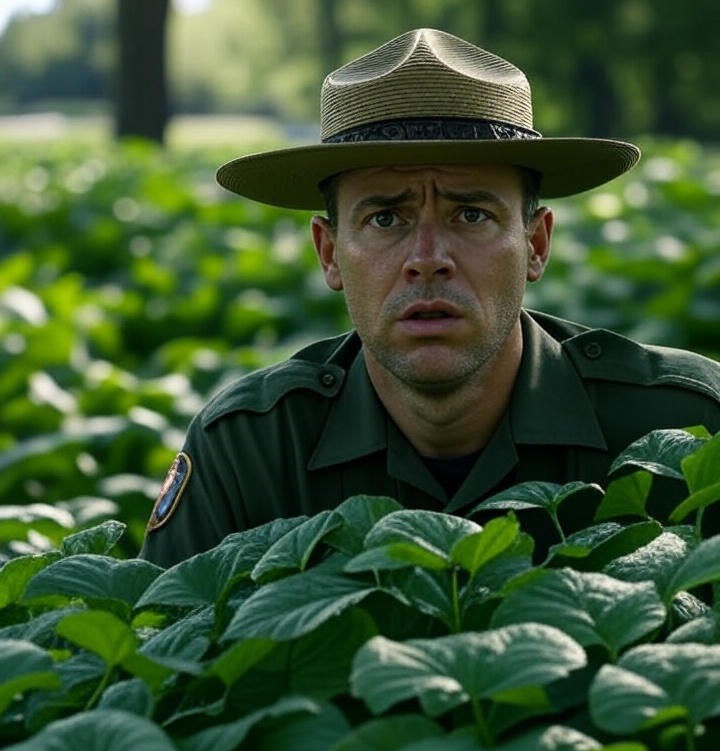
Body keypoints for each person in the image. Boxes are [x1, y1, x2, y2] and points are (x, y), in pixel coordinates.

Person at [140, 28, 720, 567]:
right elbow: (164, 659)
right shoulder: (251, 452)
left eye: (471, 213)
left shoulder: (688, 428)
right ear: (329, 253)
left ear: (536, 244)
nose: (426, 257)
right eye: (386, 217)